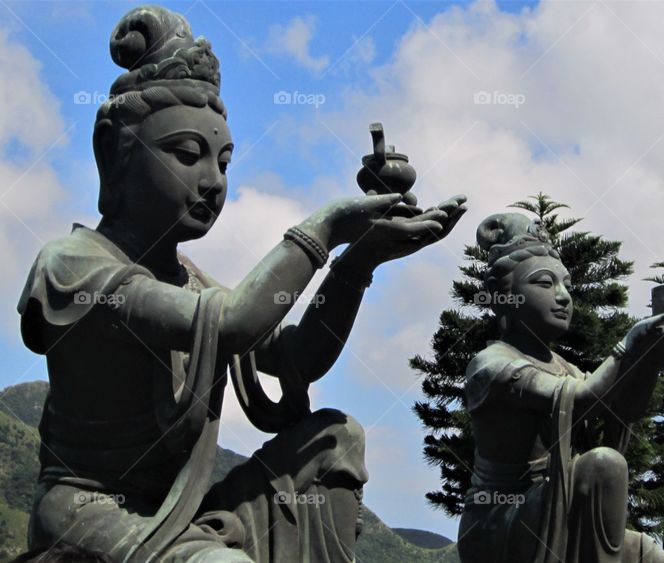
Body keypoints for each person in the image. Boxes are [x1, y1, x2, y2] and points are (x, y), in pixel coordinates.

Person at [17, 6, 466, 562]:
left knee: (336, 438)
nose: (212, 182)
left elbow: (298, 354)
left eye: (224, 162)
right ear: (113, 151)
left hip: (181, 511)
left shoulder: (195, 284)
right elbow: (233, 324)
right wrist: (325, 228)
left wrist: (356, 263)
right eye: (187, 154)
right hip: (92, 513)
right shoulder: (75, 266)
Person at [457, 213, 664, 563]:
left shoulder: (566, 368)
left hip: (555, 502)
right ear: (502, 297)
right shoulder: (492, 363)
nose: (562, 297)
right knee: (601, 465)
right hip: (502, 521)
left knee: (648, 554)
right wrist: (630, 345)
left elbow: (620, 411)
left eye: (566, 285)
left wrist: (654, 355)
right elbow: (580, 399)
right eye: (545, 284)